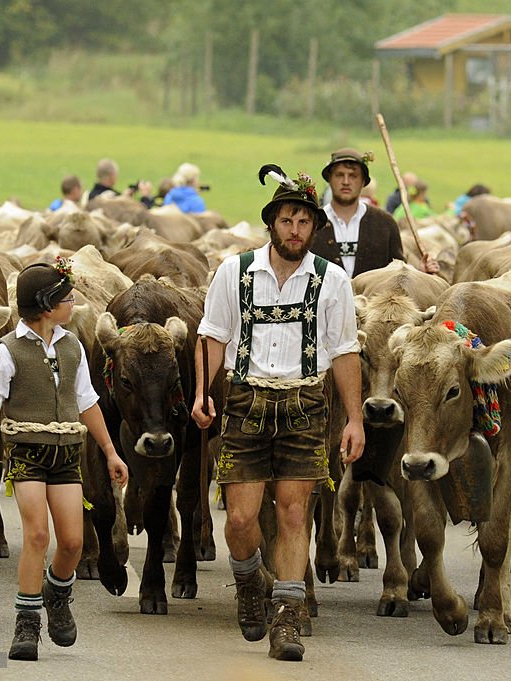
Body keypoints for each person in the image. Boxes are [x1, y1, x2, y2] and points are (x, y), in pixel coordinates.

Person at [191, 166, 364, 662]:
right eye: (287, 220)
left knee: (293, 512)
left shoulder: (332, 281)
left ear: (314, 229)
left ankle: (286, 618)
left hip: (305, 403)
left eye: (304, 222)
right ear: (272, 223)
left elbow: (346, 350)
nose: (295, 230)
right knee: (241, 519)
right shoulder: (234, 271)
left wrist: (353, 419)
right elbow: (213, 336)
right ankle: (249, 581)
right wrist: (204, 392)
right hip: (245, 401)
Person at [0, 258, 128, 662]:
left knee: (73, 542)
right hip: (28, 453)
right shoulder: (7, 350)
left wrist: (111, 451)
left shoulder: (72, 345)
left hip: (67, 454)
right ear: (47, 306)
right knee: (36, 536)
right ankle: (27, 623)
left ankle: (56, 593)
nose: (74, 303)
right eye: (67, 298)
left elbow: (88, 402)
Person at [313, 147, 439, 276]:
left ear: (363, 181)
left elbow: (398, 273)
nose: (346, 182)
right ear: (329, 179)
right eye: (339, 175)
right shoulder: (312, 223)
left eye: (353, 176)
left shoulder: (385, 223)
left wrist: (421, 273)